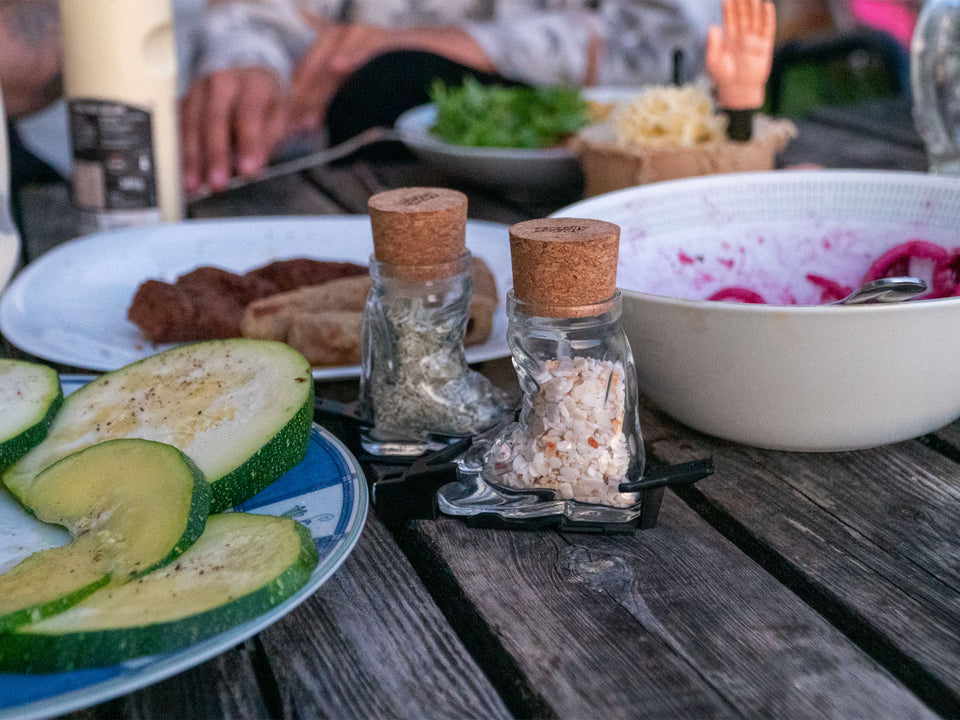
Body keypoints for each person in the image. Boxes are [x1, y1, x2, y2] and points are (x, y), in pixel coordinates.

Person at [179, 0, 722, 194]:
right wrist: (247, 60)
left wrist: (451, 46)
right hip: (350, 177)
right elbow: (260, 15)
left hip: (594, 185)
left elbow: (670, 39)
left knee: (393, 77)